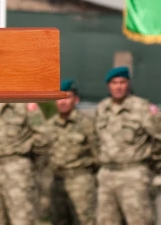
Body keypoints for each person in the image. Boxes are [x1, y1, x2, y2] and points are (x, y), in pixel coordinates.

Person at [94, 66, 161, 225]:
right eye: (114, 83)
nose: (118, 86)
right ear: (108, 85)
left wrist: (151, 166)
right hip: (107, 175)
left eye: (122, 82)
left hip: (133, 175)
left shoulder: (141, 107)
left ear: (128, 83)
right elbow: (96, 140)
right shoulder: (102, 108)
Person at [0, 101, 48, 225]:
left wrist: (24, 154)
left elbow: (43, 137)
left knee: (22, 219)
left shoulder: (26, 104)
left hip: (17, 171)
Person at [43, 79, 98, 225]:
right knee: (58, 221)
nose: (63, 102)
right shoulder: (49, 125)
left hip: (80, 182)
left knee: (84, 220)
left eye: (67, 98)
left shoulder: (87, 124)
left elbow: (98, 153)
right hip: (57, 182)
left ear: (76, 99)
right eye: (59, 98)